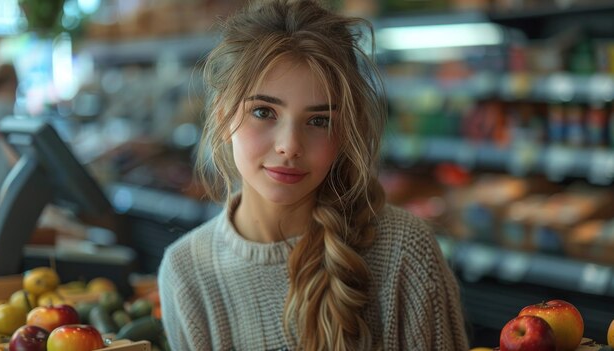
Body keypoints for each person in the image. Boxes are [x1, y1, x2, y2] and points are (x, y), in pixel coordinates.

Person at [158, 0, 469, 350]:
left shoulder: (405, 251)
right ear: (221, 116)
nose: (289, 146)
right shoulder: (186, 272)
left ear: (346, 131)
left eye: (319, 120)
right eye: (264, 111)